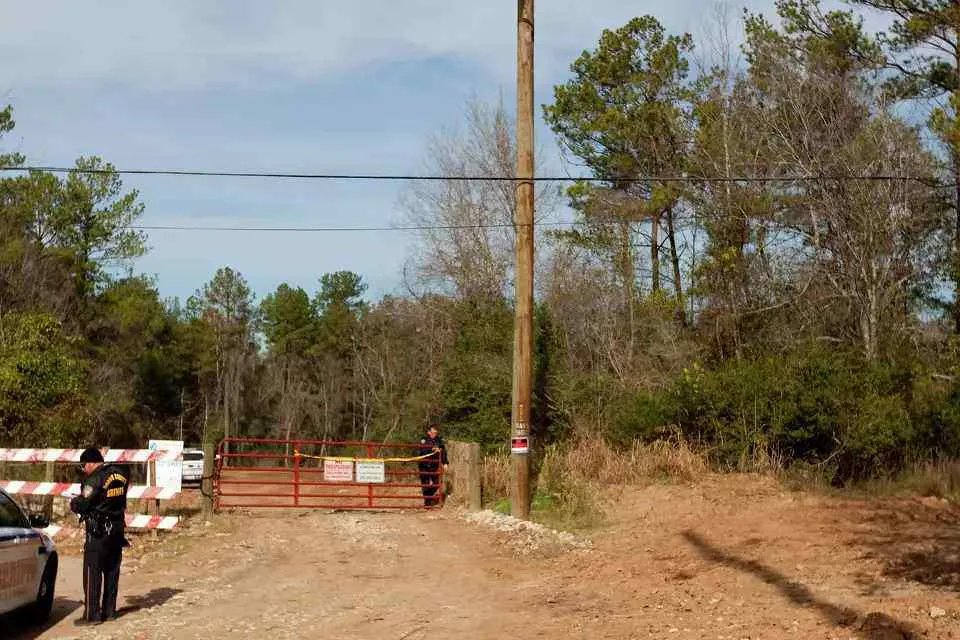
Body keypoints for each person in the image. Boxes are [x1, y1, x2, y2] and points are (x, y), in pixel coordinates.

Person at [69, 447, 129, 626]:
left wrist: (74, 503)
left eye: (84, 465)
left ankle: (92, 615)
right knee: (112, 570)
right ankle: (109, 611)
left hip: (98, 531)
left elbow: (84, 502)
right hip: (117, 528)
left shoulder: (95, 478)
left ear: (90, 462)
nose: (83, 469)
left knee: (92, 572)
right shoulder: (121, 473)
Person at [417, 425, 448, 507]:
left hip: (434, 465)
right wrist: (432, 448)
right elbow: (422, 451)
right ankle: (427, 503)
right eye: (433, 431)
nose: (435, 433)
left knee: (437, 482)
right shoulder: (424, 440)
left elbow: (443, 451)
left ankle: (429, 497)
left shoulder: (439, 440)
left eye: (436, 431)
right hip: (424, 464)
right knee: (425, 484)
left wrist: (445, 463)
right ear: (429, 432)